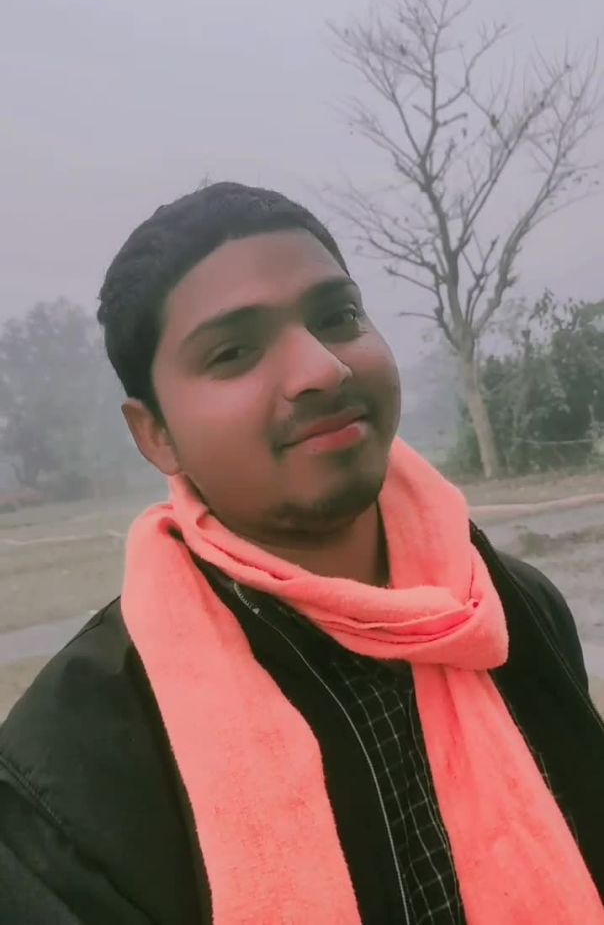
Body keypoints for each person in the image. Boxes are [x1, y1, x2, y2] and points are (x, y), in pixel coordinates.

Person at [0, 182, 602, 924]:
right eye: (233, 352)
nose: (321, 368)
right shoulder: (73, 761)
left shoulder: (513, 613)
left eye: (338, 317)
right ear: (155, 434)